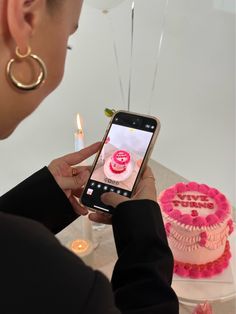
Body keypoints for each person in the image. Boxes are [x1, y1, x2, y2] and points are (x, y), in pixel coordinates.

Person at [0, 1, 179, 313]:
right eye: (67, 42)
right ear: (24, 17)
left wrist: (41, 200)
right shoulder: (62, 283)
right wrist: (145, 242)